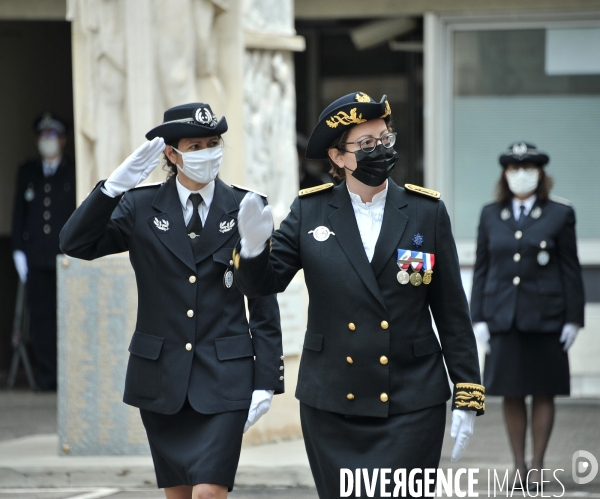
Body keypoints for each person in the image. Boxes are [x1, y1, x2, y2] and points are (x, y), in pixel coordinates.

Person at [232, 92, 484, 498]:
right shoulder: (310, 212)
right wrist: (253, 251)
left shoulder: (425, 212)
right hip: (334, 399)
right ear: (337, 157)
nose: (380, 150)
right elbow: (263, 284)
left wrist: (467, 391)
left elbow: (452, 310)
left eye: (384, 139)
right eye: (365, 144)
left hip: (411, 397)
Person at [59, 103, 284, 499]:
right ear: (171, 154)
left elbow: (262, 299)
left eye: (213, 143)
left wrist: (266, 380)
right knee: (179, 494)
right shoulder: (139, 207)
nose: (207, 152)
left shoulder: (247, 206)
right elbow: (75, 243)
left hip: (225, 377)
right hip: (163, 374)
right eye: (195, 145)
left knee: (208, 492)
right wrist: (112, 188)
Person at [470, 142, 585, 488]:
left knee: (544, 391)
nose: (522, 175)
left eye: (529, 169)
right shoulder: (491, 214)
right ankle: (518, 465)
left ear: (540, 173)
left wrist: (573, 318)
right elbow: (482, 268)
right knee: (511, 392)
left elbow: (570, 269)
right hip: (502, 316)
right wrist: (478, 316)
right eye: (515, 169)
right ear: (505, 175)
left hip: (546, 317)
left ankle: (537, 465)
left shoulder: (560, 213)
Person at [11, 112, 76, 391]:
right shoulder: (28, 172)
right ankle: (47, 379)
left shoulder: (73, 170)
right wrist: (17, 250)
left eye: (53, 135)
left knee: (69, 317)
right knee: (41, 321)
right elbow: (19, 213)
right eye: (43, 136)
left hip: (65, 257)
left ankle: (70, 378)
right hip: (36, 257)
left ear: (62, 139)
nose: (47, 141)